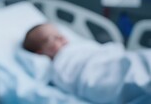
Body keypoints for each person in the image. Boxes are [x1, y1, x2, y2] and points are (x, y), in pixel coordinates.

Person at [23, 23, 151, 104]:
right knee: (134, 74)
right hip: (97, 75)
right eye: (50, 39)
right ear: (40, 52)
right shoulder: (59, 66)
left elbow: (101, 53)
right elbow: (78, 77)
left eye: (58, 34)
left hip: (112, 60)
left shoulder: (78, 48)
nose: (61, 38)